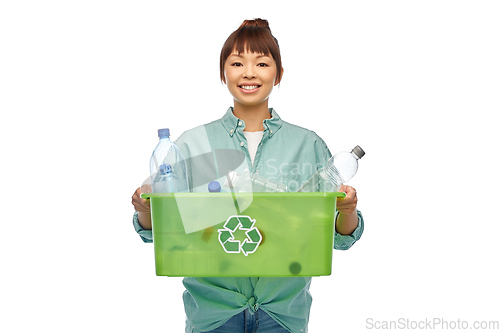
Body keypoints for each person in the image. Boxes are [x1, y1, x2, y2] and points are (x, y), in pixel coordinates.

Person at [131, 18, 364, 333]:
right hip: (213, 313)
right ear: (223, 72)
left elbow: (338, 237)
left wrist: (346, 211)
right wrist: (147, 211)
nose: (249, 73)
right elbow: (164, 231)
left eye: (262, 63)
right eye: (237, 62)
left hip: (283, 313)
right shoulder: (192, 144)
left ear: (278, 73)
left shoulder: (306, 145)